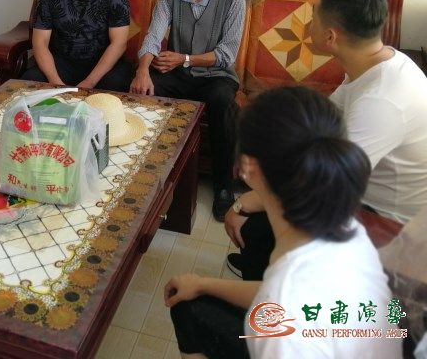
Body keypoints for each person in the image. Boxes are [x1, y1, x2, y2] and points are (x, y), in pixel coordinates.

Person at [164, 87, 399, 359]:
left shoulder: (284, 329)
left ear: (247, 167)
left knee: (188, 309)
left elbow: (284, 298)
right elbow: (286, 294)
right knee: (194, 298)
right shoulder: (345, 225)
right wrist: (203, 284)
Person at [225, 0, 427, 279]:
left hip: (387, 222)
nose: (308, 23)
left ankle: (268, 291)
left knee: (260, 221)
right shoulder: (375, 63)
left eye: (314, 15)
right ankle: (261, 267)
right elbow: (322, 127)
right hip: (358, 191)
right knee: (268, 201)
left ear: (330, 37)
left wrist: (243, 203)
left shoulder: (381, 102)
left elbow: (324, 184)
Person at [130, 0, 246, 220]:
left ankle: (223, 186)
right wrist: (142, 71)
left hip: (216, 75)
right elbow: (154, 36)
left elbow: (227, 54)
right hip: (178, 73)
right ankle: (145, 173)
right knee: (141, 88)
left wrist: (184, 58)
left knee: (222, 102)